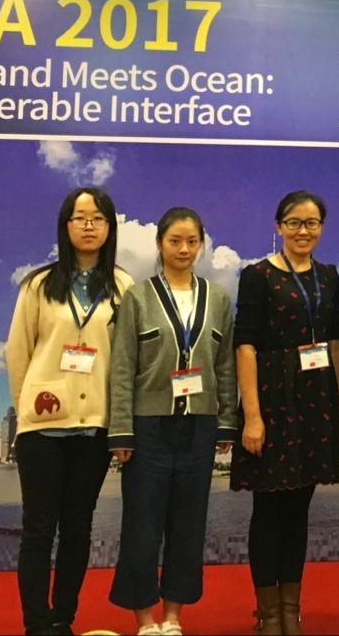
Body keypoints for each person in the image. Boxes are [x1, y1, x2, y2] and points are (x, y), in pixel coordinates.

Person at [5, 186, 132, 636]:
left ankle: (63, 619)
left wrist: (121, 424)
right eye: (79, 218)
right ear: (65, 226)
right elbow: (18, 352)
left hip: (95, 427)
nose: (89, 226)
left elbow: (127, 361)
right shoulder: (38, 285)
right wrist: (27, 411)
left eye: (98, 218)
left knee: (78, 528)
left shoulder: (123, 287)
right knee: (38, 529)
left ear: (109, 227)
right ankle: (37, 625)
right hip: (42, 429)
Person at [107, 207, 238, 635]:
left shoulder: (217, 299)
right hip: (148, 428)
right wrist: (121, 430)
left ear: (201, 245)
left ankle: (172, 617)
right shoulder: (138, 297)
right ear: (160, 244)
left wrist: (226, 421)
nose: (184, 249)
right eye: (175, 241)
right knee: (142, 527)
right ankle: (145, 619)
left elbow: (225, 365)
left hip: (199, 426)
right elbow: (122, 366)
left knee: (188, 526)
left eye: (192, 241)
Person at [231, 191, 339, 636]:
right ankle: (268, 615)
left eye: (312, 223)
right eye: (295, 222)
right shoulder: (257, 276)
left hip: (316, 401)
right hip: (272, 399)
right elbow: (245, 346)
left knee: (298, 512)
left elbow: (334, 343)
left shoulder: (328, 276)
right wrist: (252, 416)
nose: (304, 231)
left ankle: (290, 612)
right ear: (279, 226)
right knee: (268, 512)